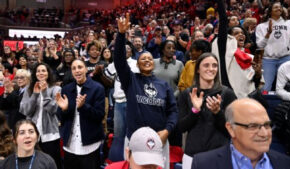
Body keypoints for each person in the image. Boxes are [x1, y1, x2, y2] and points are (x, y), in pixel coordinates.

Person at [114, 13, 178, 169]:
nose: (148, 60)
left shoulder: (163, 85)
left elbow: (173, 111)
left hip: (159, 139)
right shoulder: (131, 80)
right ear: (138, 64)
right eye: (143, 59)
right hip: (135, 139)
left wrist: (167, 131)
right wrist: (121, 35)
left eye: (150, 59)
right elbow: (119, 61)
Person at [191, 98, 290, 169]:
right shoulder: (204, 164)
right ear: (231, 129)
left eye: (267, 125)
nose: (264, 133)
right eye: (252, 126)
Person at [178, 53, 237, 169]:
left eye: (214, 66)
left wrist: (218, 112)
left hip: (220, 156)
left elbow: (233, 130)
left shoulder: (227, 94)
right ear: (198, 69)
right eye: (206, 65)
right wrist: (195, 110)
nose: (211, 69)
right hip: (192, 156)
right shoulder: (187, 94)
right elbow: (181, 127)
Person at [56, 59, 105, 169]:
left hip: (90, 145)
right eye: (74, 68)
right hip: (70, 146)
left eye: (80, 67)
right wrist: (64, 109)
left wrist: (83, 107)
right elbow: (60, 117)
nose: (77, 70)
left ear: (86, 69)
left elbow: (99, 115)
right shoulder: (66, 89)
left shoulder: (97, 88)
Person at [212, 0, 263, 98]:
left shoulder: (251, 57)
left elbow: (256, 84)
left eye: (243, 33)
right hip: (228, 99)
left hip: (247, 100)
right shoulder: (224, 51)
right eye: (236, 33)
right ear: (229, 38)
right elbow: (223, 20)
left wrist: (258, 73)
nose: (241, 35)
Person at [19, 63, 62, 169]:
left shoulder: (56, 89)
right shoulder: (29, 88)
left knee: (52, 163)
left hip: (50, 135)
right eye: (38, 71)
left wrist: (44, 92)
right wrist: (35, 94)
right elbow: (26, 111)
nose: (41, 73)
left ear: (48, 73)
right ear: (35, 74)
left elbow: (53, 110)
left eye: (43, 70)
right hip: (32, 134)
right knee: (34, 165)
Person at [255, 2, 290, 91]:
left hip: (285, 58)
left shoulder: (289, 23)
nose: (278, 9)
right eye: (276, 7)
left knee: (289, 88)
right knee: (265, 88)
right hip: (268, 60)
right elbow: (260, 45)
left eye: (280, 7)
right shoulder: (262, 26)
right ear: (270, 11)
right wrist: (268, 33)